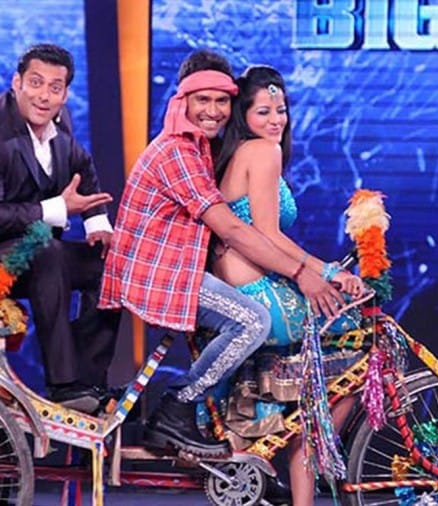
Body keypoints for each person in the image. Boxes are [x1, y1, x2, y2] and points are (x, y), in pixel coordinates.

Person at [99, 49, 359, 458]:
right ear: (183, 100)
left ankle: (262, 450)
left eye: (222, 100)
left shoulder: (204, 147)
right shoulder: (180, 151)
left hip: (182, 269)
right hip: (162, 275)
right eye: (203, 100)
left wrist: (317, 271)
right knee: (254, 321)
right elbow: (236, 230)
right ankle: (179, 406)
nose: (213, 110)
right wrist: (310, 273)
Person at [0, 43, 120, 413]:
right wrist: (57, 209)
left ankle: (89, 381)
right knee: (46, 252)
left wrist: (97, 224)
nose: (44, 96)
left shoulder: (58, 121)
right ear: (16, 82)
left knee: (110, 264)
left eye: (55, 87)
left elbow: (80, 165)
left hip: (30, 250)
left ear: (65, 94)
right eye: (35, 83)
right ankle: (64, 386)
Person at [212, 65, 364, 506]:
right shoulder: (262, 151)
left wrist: (324, 272)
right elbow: (268, 235)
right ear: (243, 116)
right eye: (264, 111)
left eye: (281, 110)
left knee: (315, 389)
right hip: (259, 298)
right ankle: (311, 443)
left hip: (247, 291)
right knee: (361, 345)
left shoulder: (240, 152)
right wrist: (327, 273)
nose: (276, 119)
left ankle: (301, 455)